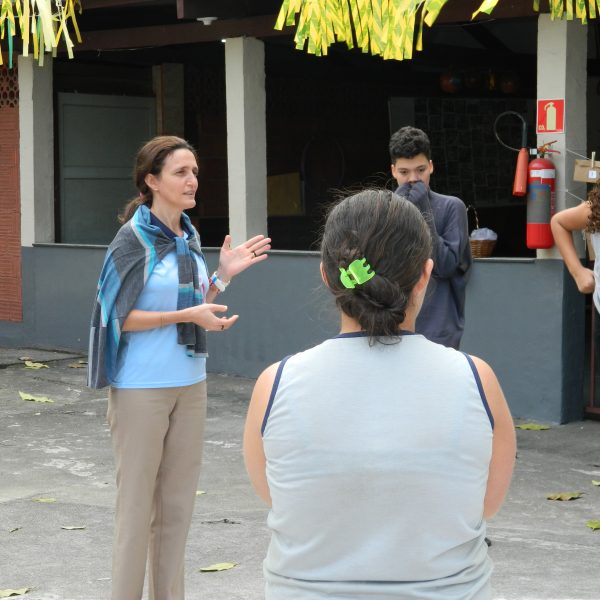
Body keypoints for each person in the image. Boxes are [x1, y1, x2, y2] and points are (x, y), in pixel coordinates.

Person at [244, 189, 515, 600]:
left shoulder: (275, 384)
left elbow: (277, 496)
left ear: (326, 275)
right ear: (425, 274)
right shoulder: (477, 380)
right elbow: (487, 504)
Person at [87, 135, 271, 600]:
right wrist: (184, 315)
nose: (192, 181)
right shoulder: (131, 241)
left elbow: (194, 304)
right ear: (151, 181)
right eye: (180, 173)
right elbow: (115, 316)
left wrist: (222, 276)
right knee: (135, 512)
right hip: (141, 390)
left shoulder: (188, 237)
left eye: (194, 172)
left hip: (191, 384)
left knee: (176, 512)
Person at [389, 126, 472, 349]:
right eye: (404, 172)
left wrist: (423, 209)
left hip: (439, 328)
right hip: (393, 323)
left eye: (420, 170)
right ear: (393, 171)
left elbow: (445, 266)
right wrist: (394, 210)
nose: (413, 179)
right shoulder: (384, 209)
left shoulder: (452, 207)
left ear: (431, 167)